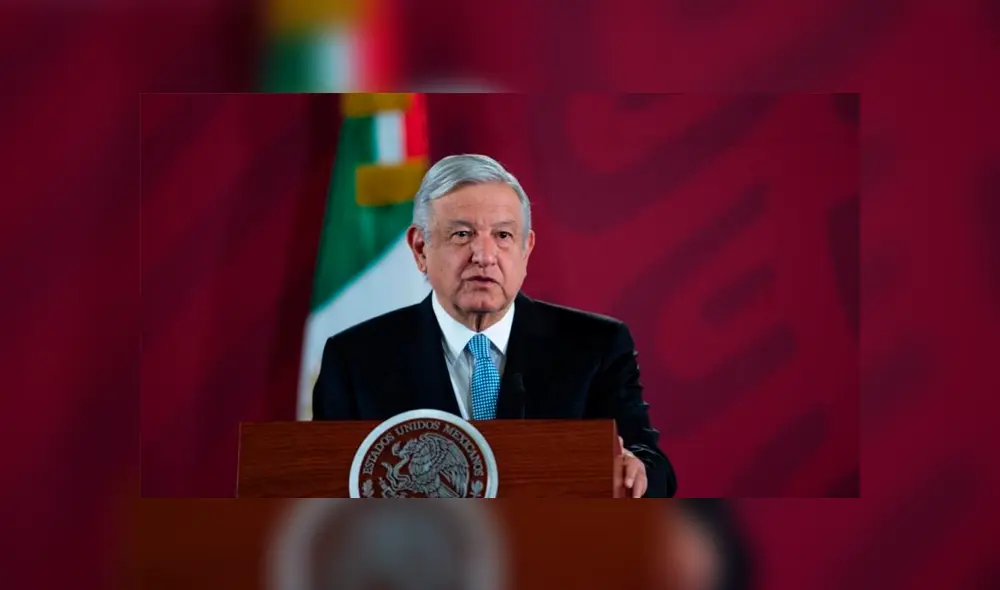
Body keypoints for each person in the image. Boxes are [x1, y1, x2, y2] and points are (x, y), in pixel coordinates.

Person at [312, 154, 677, 498]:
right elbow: (323, 487)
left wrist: (638, 471)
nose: (484, 256)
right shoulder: (355, 359)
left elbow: (654, 466)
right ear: (420, 248)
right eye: (462, 234)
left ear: (526, 249)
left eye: (503, 236)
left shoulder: (596, 346)